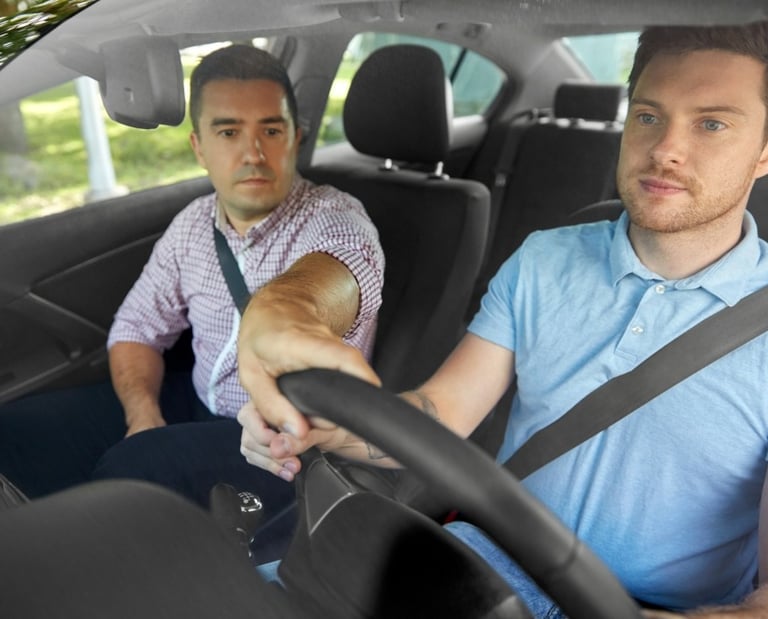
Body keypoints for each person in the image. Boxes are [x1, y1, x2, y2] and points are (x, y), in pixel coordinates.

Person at [236, 21, 768, 617]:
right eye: (648, 116)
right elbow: (442, 412)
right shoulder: (545, 259)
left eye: (711, 124)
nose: (666, 148)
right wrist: (328, 431)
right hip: (480, 568)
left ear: (765, 151)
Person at [0, 44, 384, 555]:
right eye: (228, 132)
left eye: (271, 131)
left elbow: (335, 278)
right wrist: (142, 415)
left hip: (281, 442)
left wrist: (283, 312)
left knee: (129, 475)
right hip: (194, 398)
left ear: (296, 137)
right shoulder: (192, 226)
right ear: (199, 147)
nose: (253, 153)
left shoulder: (337, 220)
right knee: (13, 431)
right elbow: (136, 329)